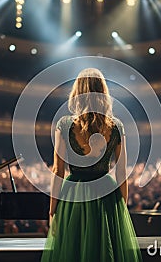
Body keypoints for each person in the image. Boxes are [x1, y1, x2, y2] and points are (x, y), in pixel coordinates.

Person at [41, 68, 142, 262]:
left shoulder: (64, 125)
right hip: (106, 194)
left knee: (74, 251)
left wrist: (52, 210)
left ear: (77, 93)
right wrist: (122, 208)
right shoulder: (116, 126)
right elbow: (121, 172)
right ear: (103, 93)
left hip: (74, 194)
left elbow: (58, 171)